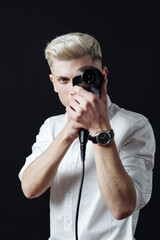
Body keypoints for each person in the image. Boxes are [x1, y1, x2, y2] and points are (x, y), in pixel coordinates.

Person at [19, 32, 155, 240]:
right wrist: (68, 132)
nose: (73, 89)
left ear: (102, 76)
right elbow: (29, 188)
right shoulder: (52, 127)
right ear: (53, 83)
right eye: (63, 80)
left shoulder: (135, 125)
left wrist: (101, 131)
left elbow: (122, 207)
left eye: (83, 77)